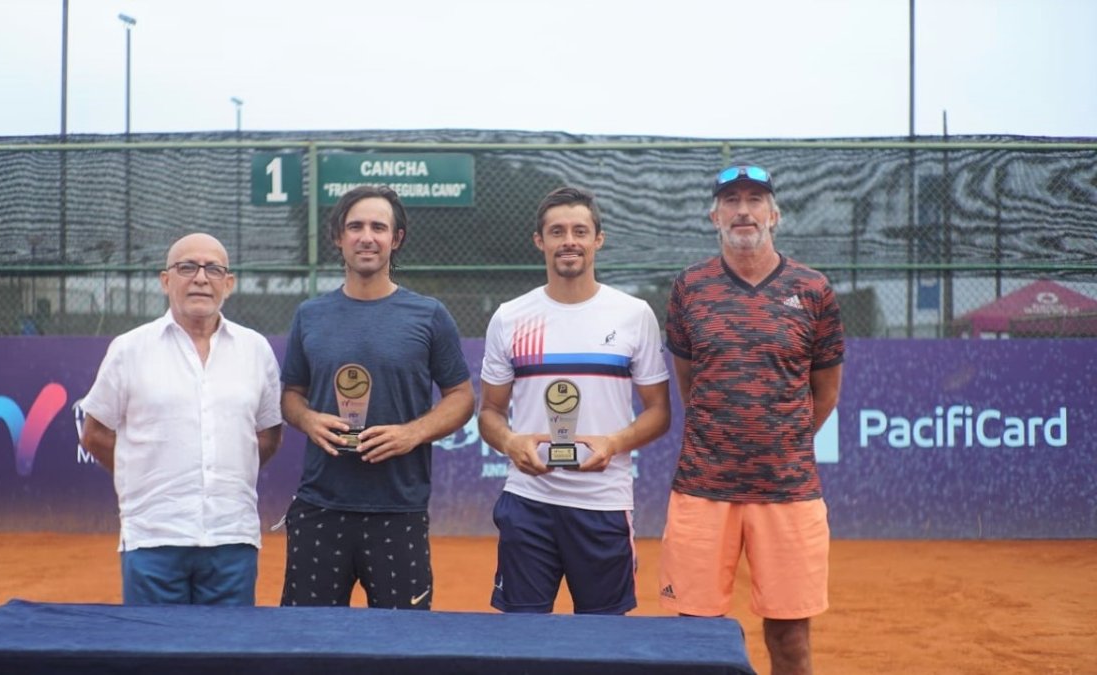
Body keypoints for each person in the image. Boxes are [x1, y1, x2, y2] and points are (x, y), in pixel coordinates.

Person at [660, 165, 844, 675]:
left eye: (756, 199)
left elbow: (825, 392)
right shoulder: (689, 288)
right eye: (732, 200)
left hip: (788, 492)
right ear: (714, 214)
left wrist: (780, 443)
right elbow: (689, 382)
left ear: (775, 214)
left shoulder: (813, 289)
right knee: (695, 635)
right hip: (702, 489)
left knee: (790, 640)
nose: (744, 210)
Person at [279, 184, 474, 610]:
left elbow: (461, 396)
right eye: (355, 226)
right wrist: (309, 420)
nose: (366, 236)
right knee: (307, 645)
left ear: (396, 238)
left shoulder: (429, 314)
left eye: (378, 227)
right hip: (320, 507)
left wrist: (413, 433)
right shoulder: (310, 314)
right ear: (338, 237)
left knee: (402, 648)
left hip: (398, 510)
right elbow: (291, 395)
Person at [478, 186, 671, 615]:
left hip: (603, 505)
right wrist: (510, 443)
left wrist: (614, 444)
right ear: (539, 241)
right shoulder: (510, 316)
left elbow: (659, 413)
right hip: (528, 503)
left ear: (597, 239)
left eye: (580, 231)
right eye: (557, 231)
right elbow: (489, 412)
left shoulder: (634, 314)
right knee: (522, 639)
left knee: (604, 642)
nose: (569, 240)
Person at [80, 232, 283, 606]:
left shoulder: (256, 350)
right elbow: (94, 434)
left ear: (229, 283)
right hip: (153, 537)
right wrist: (144, 473)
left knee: (227, 658)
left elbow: (267, 435)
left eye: (213, 269)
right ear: (165, 280)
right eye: (187, 267)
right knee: (155, 658)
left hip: (232, 540)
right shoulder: (129, 349)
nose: (201, 278)